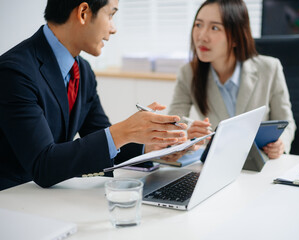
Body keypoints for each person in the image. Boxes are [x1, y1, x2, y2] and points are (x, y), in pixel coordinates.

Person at [0, 0, 187, 191]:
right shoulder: (15, 71)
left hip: (53, 197)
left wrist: (152, 146)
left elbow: (100, 136)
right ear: (83, 12)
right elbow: (43, 164)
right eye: (111, 15)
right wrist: (124, 131)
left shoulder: (83, 71)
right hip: (13, 198)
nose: (113, 29)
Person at [168, 0, 296, 159]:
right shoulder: (188, 73)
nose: (201, 36)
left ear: (236, 37)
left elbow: (287, 123)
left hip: (260, 161)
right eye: (198, 25)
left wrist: (281, 144)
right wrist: (188, 135)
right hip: (218, 161)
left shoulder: (269, 68)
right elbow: (173, 128)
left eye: (214, 28)